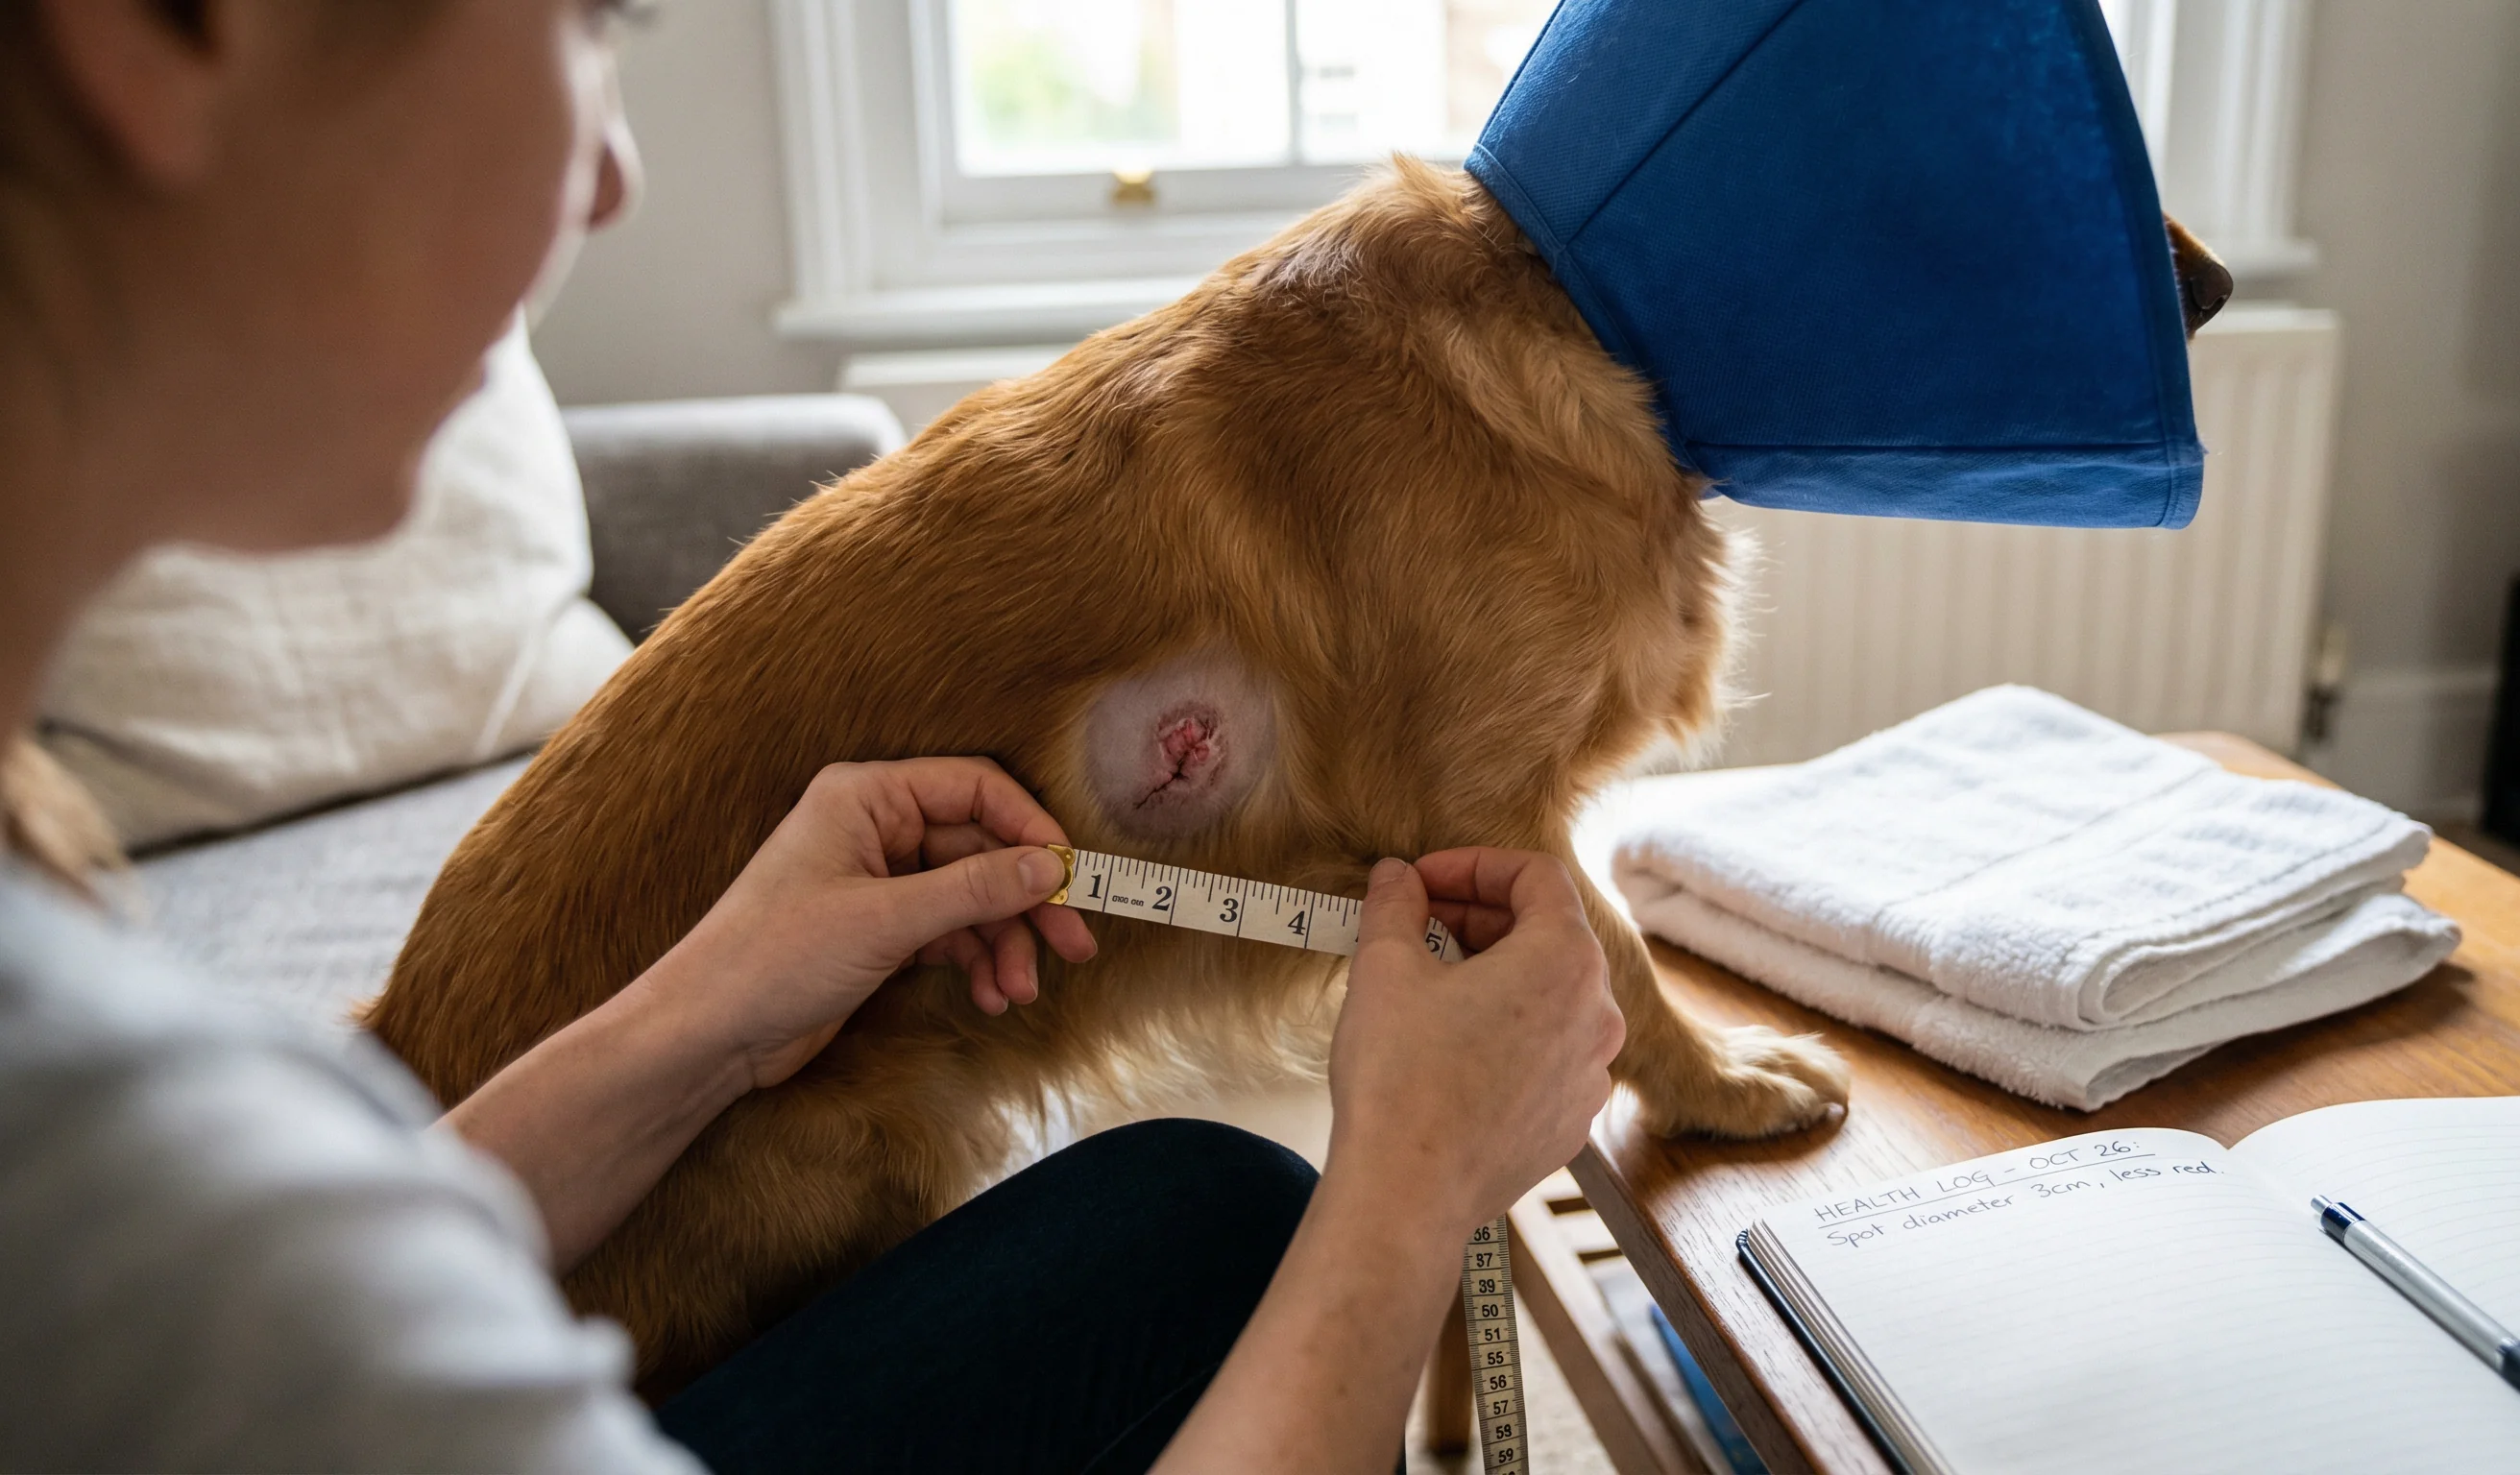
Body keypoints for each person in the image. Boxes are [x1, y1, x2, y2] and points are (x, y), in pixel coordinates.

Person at [0, 2, 1627, 1470]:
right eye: (590, 21)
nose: (615, 176)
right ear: (158, 32)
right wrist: (1409, 1195)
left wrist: (709, 1011)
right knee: (1280, 1241)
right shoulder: (92, 1136)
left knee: (1214, 1221)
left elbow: (321, 1275)